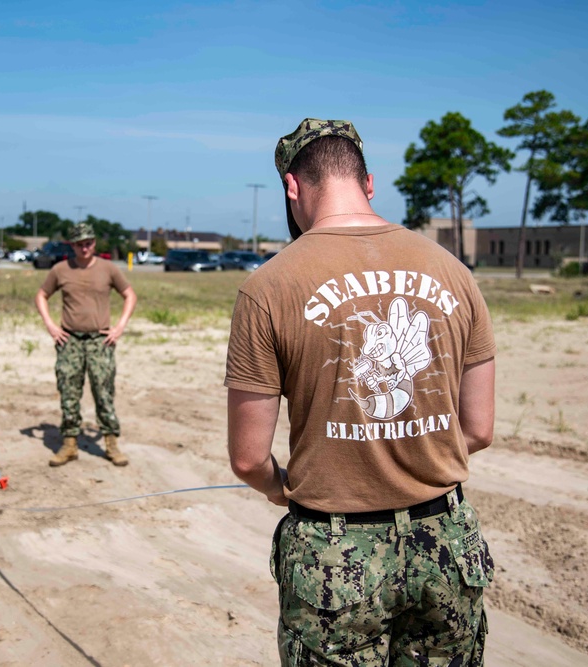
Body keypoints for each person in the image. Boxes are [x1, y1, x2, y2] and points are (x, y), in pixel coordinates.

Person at [225, 119, 497, 666]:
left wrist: (282, 490)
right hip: (445, 541)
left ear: (292, 187)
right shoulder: (454, 272)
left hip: (334, 557)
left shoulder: (268, 286)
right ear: (368, 183)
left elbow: (249, 458)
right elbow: (479, 428)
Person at [34, 222, 137, 467]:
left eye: (88, 242)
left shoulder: (108, 269)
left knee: (103, 392)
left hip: (99, 340)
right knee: (69, 391)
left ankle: (111, 443)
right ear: (72, 245)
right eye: (80, 244)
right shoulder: (60, 270)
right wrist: (50, 325)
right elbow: (41, 295)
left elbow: (129, 295)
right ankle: (69, 443)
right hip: (69, 340)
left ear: (94, 242)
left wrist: (119, 327)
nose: (85, 248)